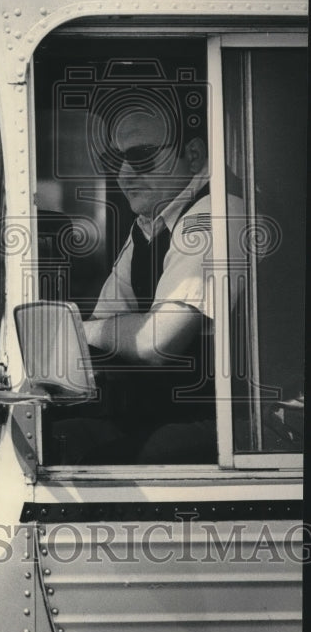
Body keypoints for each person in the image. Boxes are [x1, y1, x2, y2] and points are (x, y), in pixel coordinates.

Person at [79, 91, 225, 464]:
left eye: (141, 156)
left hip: (231, 429)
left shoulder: (215, 214)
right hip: (167, 417)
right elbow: (106, 319)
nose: (124, 174)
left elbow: (157, 341)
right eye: (114, 160)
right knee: (65, 437)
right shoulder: (150, 225)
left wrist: (78, 330)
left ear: (194, 155)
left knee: (101, 460)